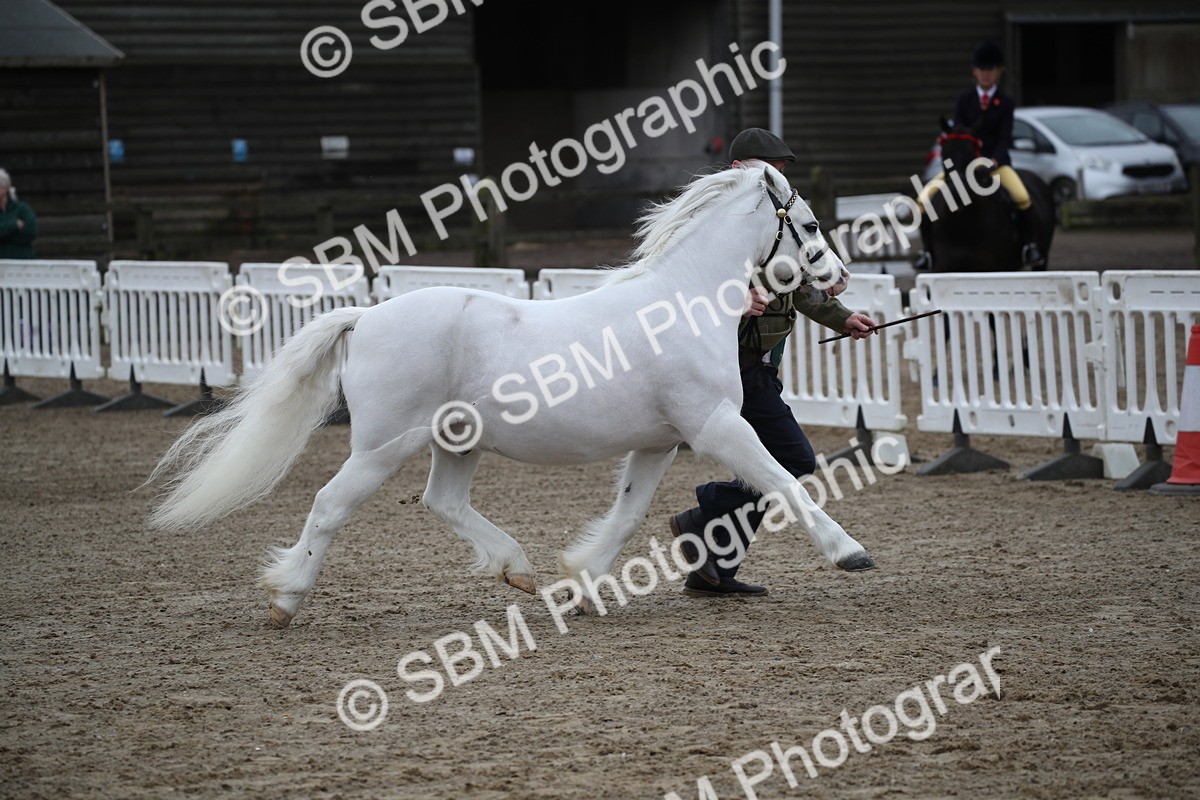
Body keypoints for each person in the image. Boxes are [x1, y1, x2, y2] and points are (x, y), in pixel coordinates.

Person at [669, 127, 878, 598]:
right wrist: (733, 297)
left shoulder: (775, 213)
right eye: (773, 165)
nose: (780, 173)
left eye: (782, 166)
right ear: (743, 167)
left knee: (771, 461)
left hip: (756, 365)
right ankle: (703, 517)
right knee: (793, 458)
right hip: (729, 362)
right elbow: (679, 283)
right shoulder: (717, 214)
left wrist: (843, 319)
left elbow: (798, 283)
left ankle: (712, 566)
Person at [912, 40, 1044, 270]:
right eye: (982, 69)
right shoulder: (965, 100)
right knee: (923, 201)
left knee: (1022, 197)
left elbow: (1004, 137)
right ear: (975, 71)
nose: (986, 74)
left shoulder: (1005, 102)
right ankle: (928, 252)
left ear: (999, 72)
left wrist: (994, 159)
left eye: (990, 69)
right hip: (963, 166)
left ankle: (1029, 246)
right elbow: (958, 133)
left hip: (995, 165)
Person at [0, 169, 38, 259]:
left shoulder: (22, 209)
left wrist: (3, 236)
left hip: (22, 264)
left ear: (5, 188)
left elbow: (31, 232)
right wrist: (14, 224)